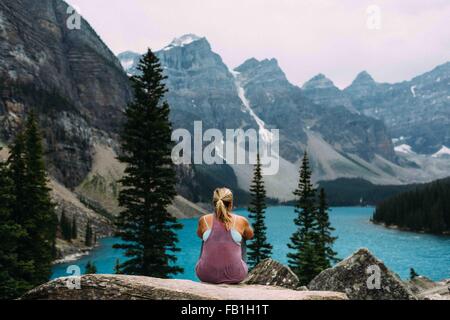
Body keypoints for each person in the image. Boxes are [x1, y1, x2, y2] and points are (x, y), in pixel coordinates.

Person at [195, 188, 254, 284]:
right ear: (231, 204)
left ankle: (207, 266)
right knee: (241, 238)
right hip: (235, 275)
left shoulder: (204, 219)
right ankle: (238, 266)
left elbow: (199, 235)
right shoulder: (241, 220)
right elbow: (250, 235)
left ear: (214, 203)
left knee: (205, 238)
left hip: (205, 275)